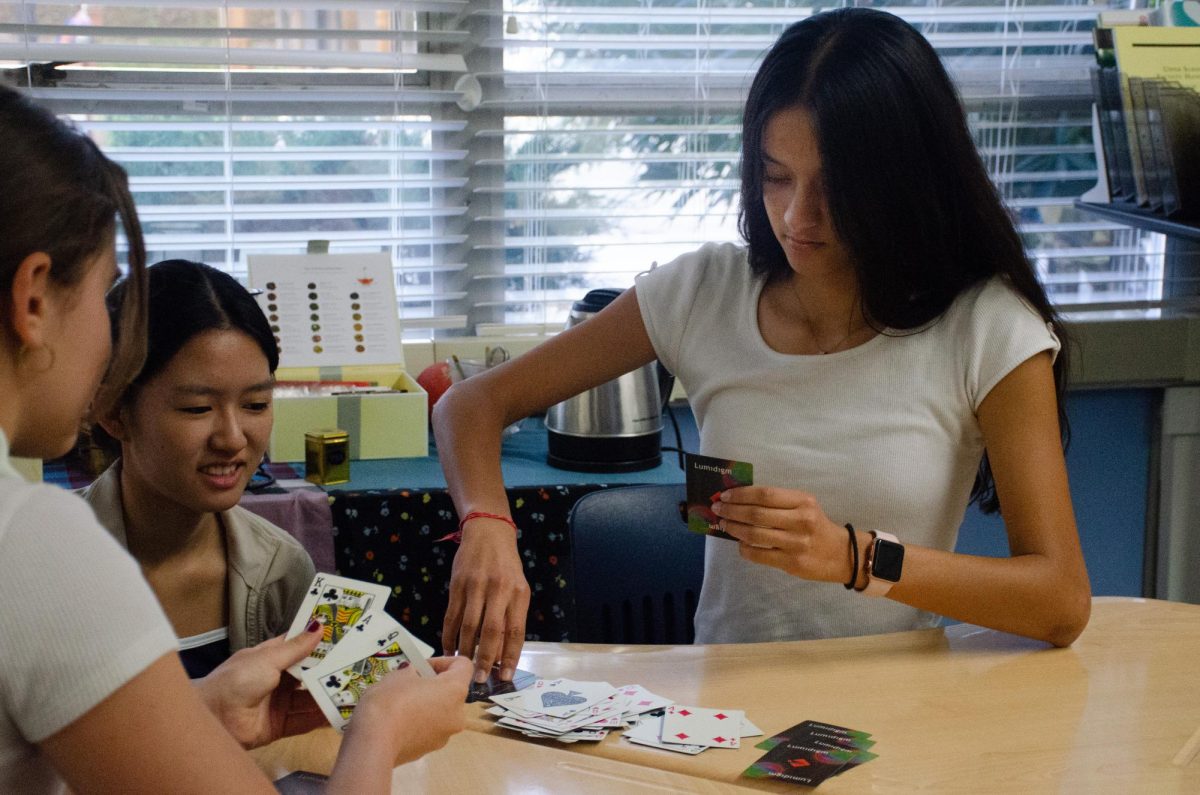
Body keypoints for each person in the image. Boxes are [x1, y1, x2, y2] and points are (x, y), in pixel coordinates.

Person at [433, 7, 1092, 684]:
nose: (796, 217)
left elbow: (1060, 601)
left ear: (906, 183)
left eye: (835, 189)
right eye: (777, 176)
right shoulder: (705, 290)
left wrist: (852, 556)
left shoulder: (987, 325)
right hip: (726, 715)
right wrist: (487, 523)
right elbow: (471, 404)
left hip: (896, 710)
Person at [0, 81, 471, 792]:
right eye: (103, 294)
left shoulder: (273, 566)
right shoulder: (38, 542)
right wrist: (380, 730)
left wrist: (196, 711)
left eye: (255, 402)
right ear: (34, 299)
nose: (106, 339)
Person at [78, 259, 315, 679]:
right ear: (114, 412)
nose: (232, 438)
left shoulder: (281, 571)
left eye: (256, 405)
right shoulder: (44, 567)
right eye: (197, 408)